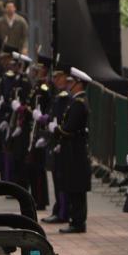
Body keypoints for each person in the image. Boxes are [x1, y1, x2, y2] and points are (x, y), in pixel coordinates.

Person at [50, 67, 92, 234]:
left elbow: (69, 129)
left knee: (77, 188)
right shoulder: (76, 102)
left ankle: (78, 222)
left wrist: (56, 129)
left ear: (78, 84)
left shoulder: (78, 104)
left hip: (76, 152)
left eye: (71, 82)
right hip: (73, 150)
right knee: (74, 187)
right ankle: (76, 220)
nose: (68, 85)